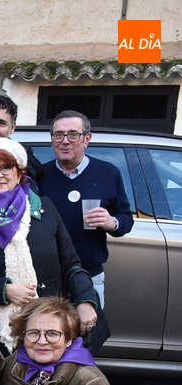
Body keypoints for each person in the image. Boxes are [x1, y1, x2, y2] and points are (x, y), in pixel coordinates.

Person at [0, 138, 99, 355]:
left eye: (6, 167)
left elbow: (72, 264)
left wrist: (86, 300)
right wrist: (4, 290)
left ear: (19, 173)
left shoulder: (44, 208)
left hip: (49, 331)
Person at [38, 110, 134, 307]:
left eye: (73, 134)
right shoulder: (40, 175)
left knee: (88, 335)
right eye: (58, 135)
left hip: (89, 274)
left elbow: (126, 218)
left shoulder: (108, 173)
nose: (65, 141)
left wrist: (112, 222)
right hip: (46, 277)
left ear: (87, 139)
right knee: (47, 337)